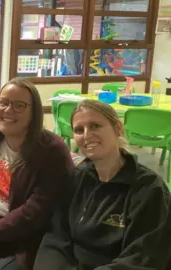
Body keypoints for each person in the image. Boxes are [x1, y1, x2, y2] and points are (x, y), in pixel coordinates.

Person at [34, 99, 171, 270]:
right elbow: (55, 236)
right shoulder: (75, 178)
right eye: (79, 129)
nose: (86, 135)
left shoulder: (149, 190)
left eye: (95, 126)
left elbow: (142, 259)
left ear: (118, 128)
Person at [0, 78, 74, 270]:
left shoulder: (52, 150)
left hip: (29, 237)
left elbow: (37, 212)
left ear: (34, 113)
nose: (8, 110)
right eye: (4, 102)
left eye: (19, 105)